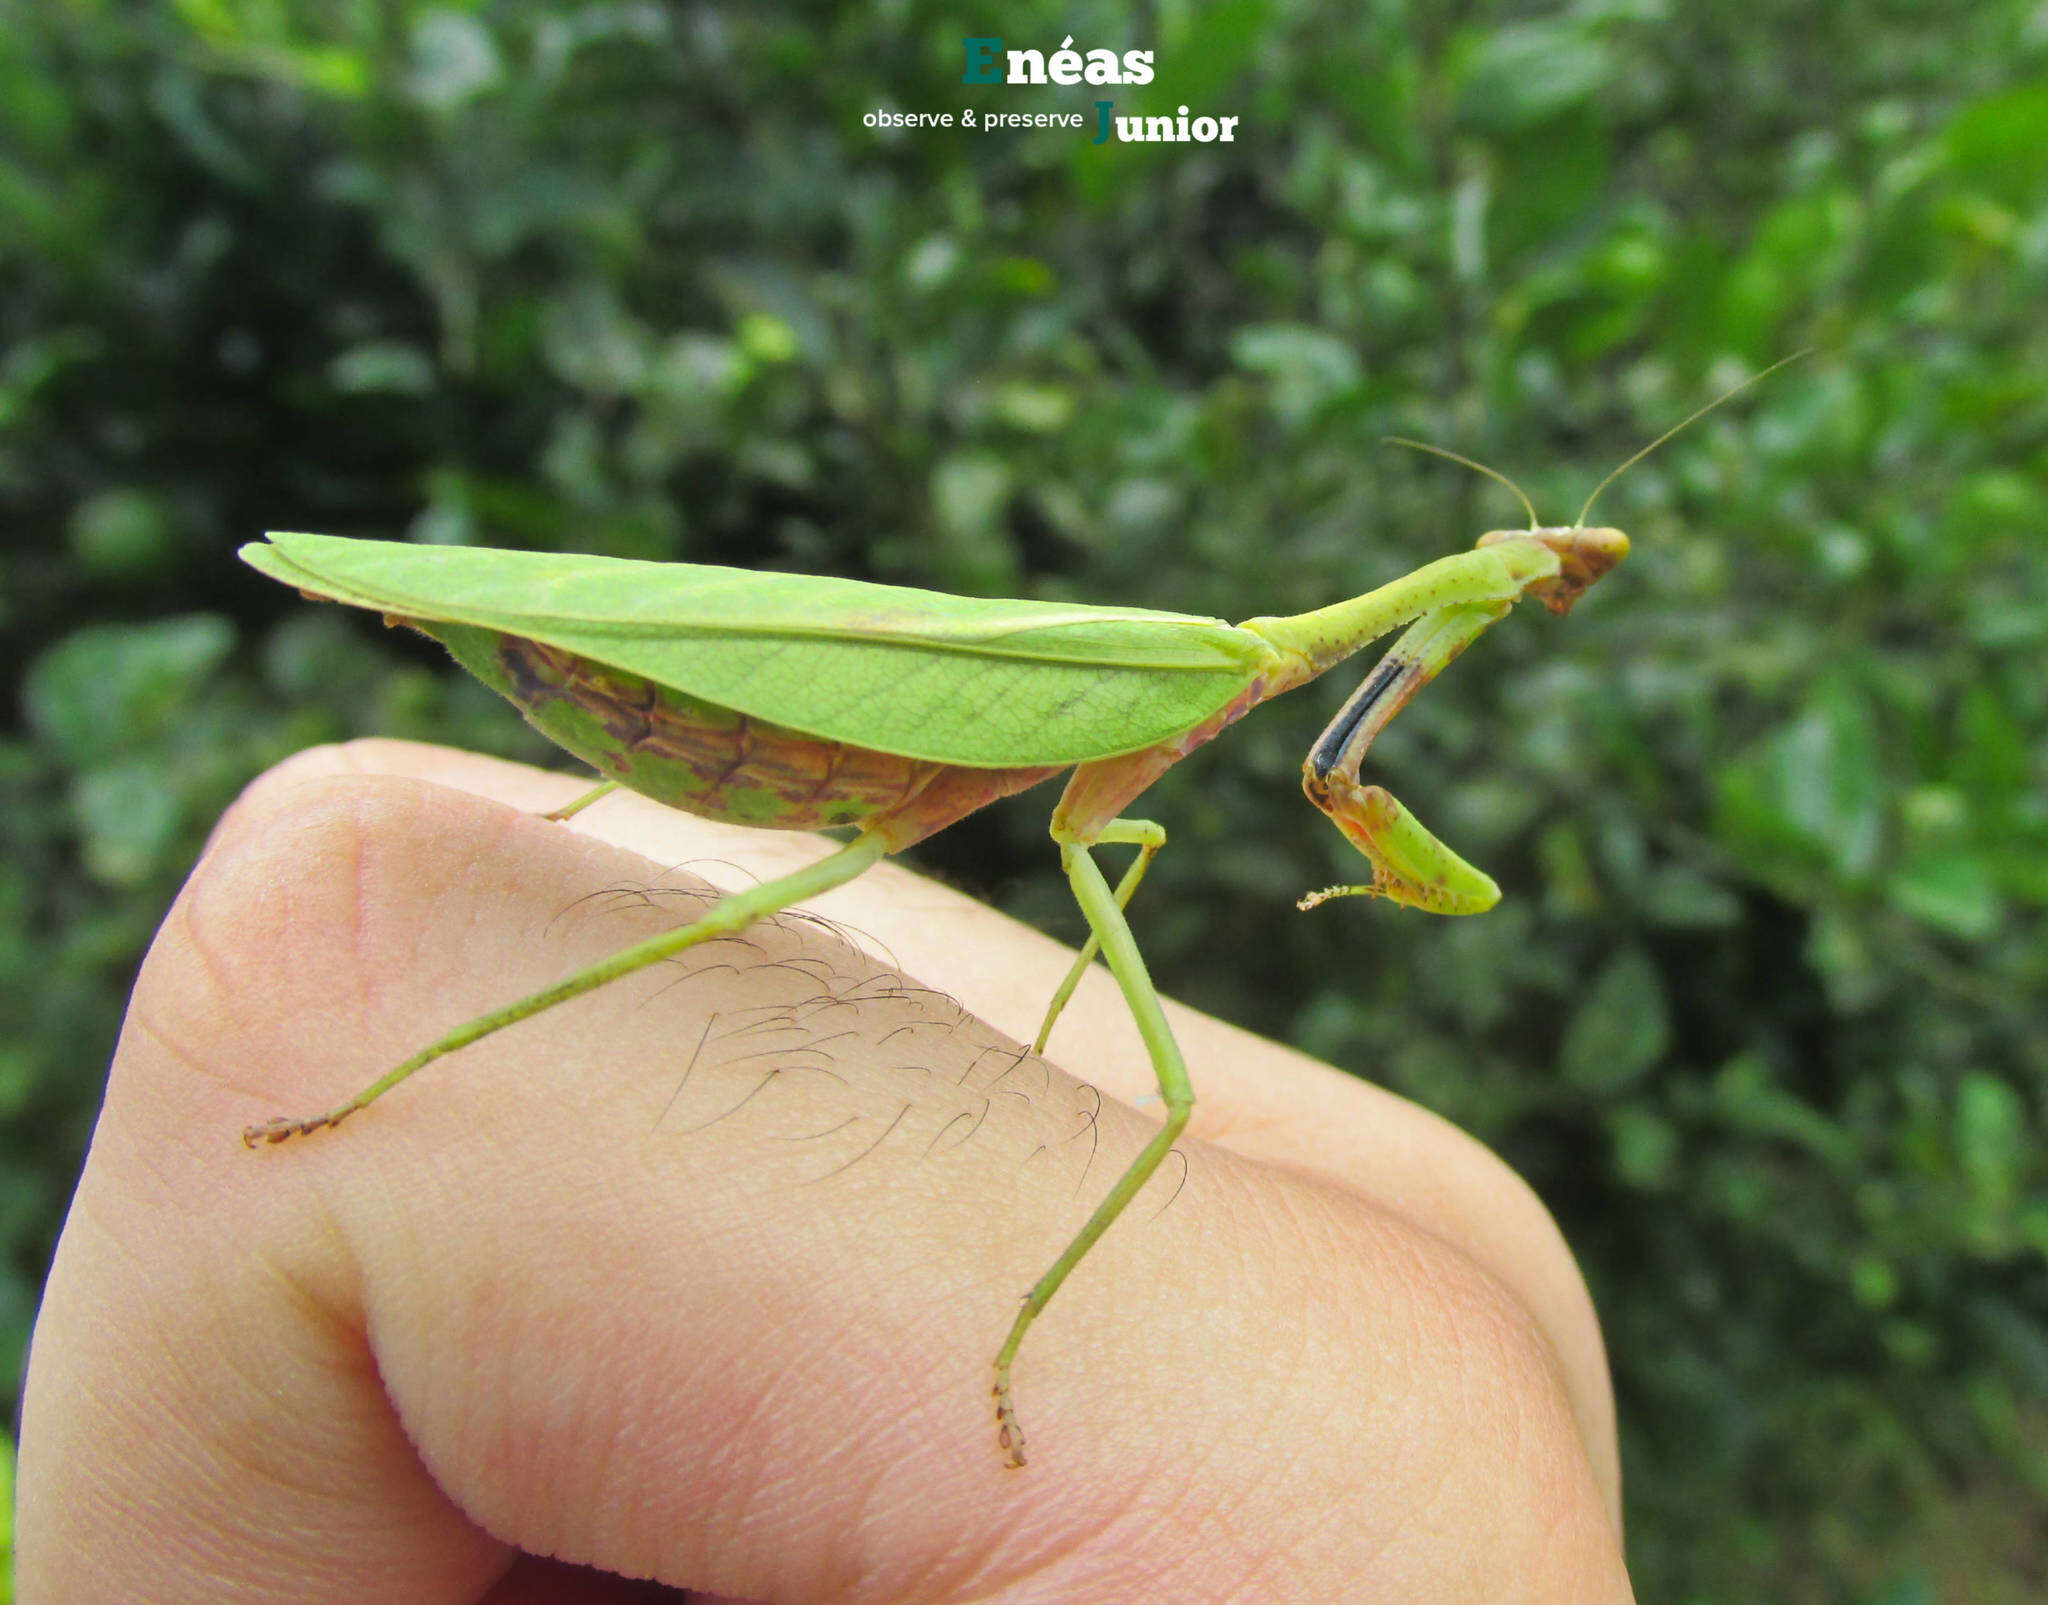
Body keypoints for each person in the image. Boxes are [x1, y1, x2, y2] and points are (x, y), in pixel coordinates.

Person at [20, 740, 1634, 1602]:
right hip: (752, 735)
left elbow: (1108, 827)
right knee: (1158, 1091)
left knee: (1092, 872)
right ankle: (380, 1084)